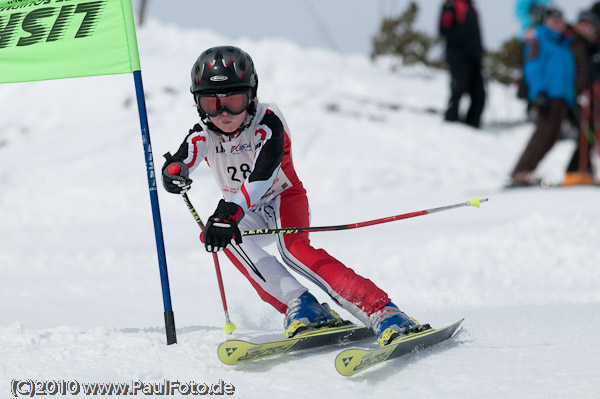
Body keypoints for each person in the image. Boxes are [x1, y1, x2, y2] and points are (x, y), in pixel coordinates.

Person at [161, 46, 427, 346]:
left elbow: (263, 175)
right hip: (245, 210)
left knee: (293, 251)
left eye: (234, 101)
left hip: (283, 198)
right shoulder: (203, 133)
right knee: (218, 235)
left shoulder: (268, 122)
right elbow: (180, 161)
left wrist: (230, 210)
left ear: (251, 96)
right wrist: (173, 173)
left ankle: (382, 310)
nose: (223, 113)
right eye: (212, 103)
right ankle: (302, 306)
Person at [509, 7, 577, 186]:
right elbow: (532, 67)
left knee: (553, 136)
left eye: (559, 19)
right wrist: (539, 92)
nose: (557, 23)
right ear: (545, 22)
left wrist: (571, 100)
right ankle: (520, 172)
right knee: (542, 134)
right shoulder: (538, 39)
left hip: (562, 98)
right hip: (546, 95)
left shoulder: (564, 44)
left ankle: (527, 172)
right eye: (553, 20)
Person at [563, 10, 600, 185]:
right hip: (577, 96)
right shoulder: (572, 42)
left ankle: (582, 168)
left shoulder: (592, 46)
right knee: (586, 133)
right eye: (583, 24)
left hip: (593, 96)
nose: (586, 28)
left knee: (589, 134)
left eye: (589, 25)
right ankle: (576, 169)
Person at [439, 0, 486, 128]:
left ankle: (473, 123)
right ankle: (451, 119)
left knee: (479, 93)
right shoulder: (451, 6)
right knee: (459, 88)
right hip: (458, 56)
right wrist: (462, 46)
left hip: (474, 57)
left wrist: (479, 51)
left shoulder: (472, 8)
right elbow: (444, 29)